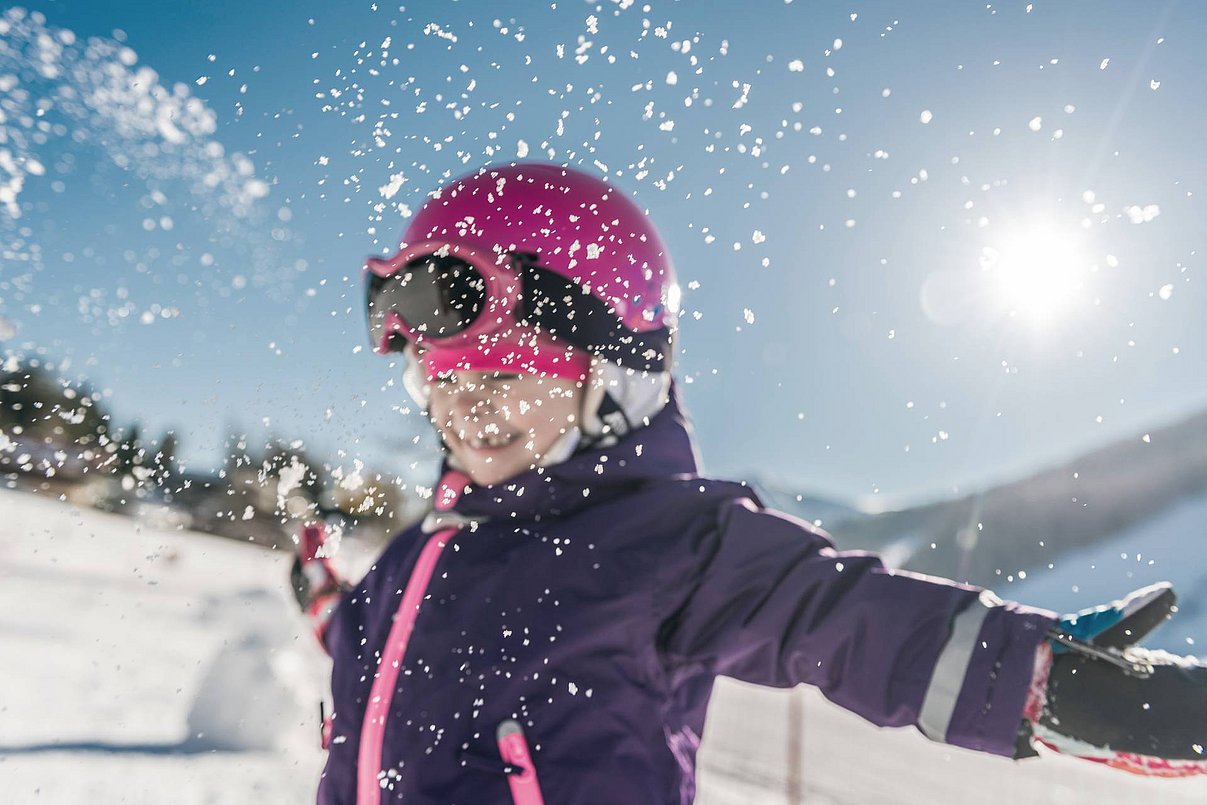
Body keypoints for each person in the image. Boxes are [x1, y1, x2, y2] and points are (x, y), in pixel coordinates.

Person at [292, 162, 1207, 804]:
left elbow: (838, 616)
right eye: (440, 381)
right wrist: (327, 598)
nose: (466, 411)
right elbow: (375, 641)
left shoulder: (667, 542)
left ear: (615, 376)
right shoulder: (424, 549)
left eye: (499, 377)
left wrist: (1036, 680)